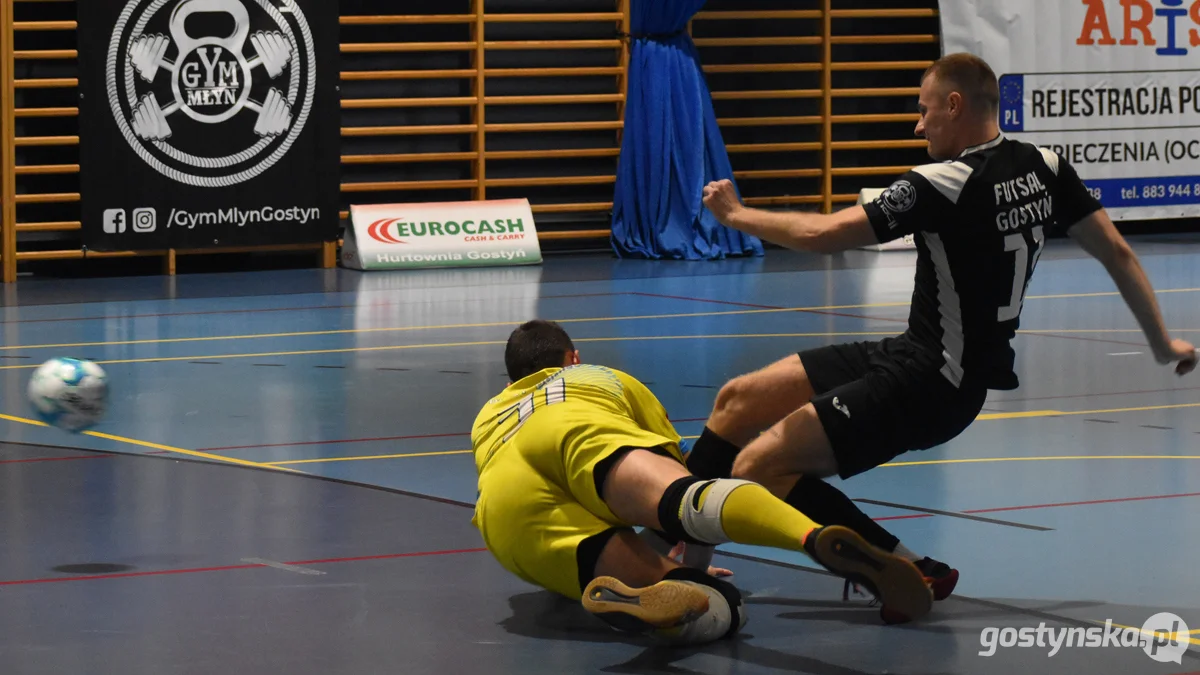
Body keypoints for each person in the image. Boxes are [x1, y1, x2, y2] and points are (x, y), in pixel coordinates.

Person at [689, 51, 1198, 622]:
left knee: (756, 467)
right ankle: (683, 547)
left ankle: (896, 567)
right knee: (738, 400)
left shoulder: (942, 181)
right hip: (916, 354)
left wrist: (736, 215)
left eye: (924, 109)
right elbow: (1118, 252)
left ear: (954, 105)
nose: (918, 124)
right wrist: (1161, 343)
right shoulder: (1046, 166)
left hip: (929, 382)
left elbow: (828, 233)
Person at [470, 320, 937, 646]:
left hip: (505, 515)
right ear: (573, 357)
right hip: (573, 428)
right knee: (690, 501)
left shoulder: (488, 414)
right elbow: (688, 490)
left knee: (700, 600)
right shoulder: (597, 377)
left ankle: (670, 596)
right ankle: (810, 537)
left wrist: (677, 567)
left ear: (512, 378)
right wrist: (696, 553)